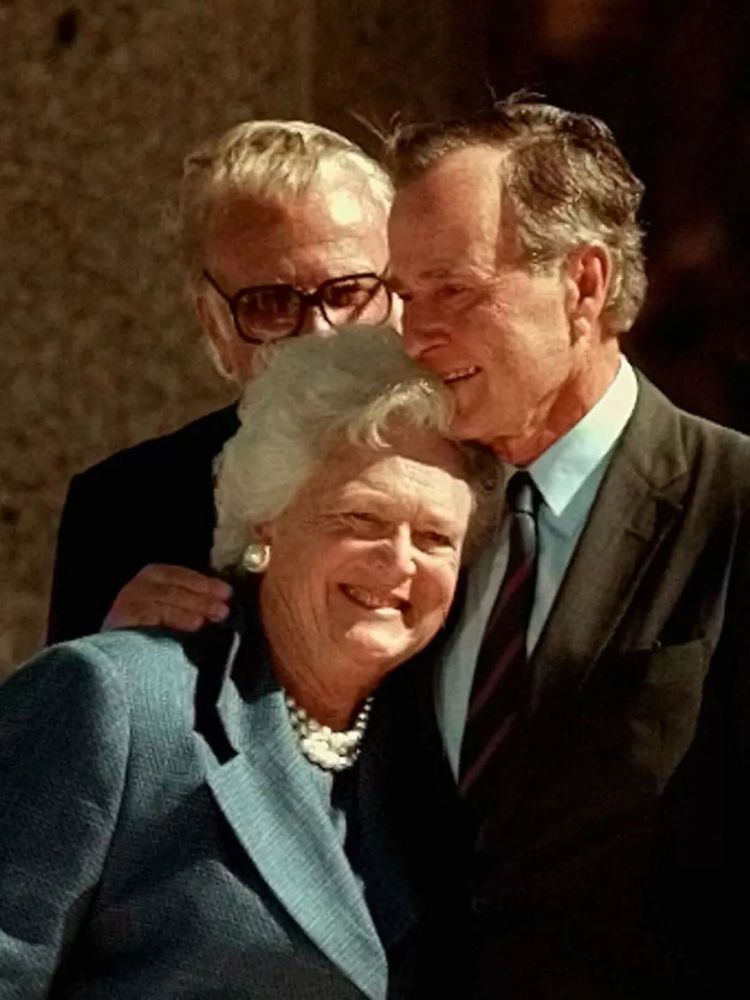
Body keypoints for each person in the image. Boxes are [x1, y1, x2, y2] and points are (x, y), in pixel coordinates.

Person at [0, 326, 494, 999]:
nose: (400, 561)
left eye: (435, 537)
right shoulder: (116, 702)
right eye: (361, 519)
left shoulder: (431, 757)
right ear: (268, 519)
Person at [384, 95, 750, 996]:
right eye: (405, 296)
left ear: (584, 284)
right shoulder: (408, 503)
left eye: (454, 290)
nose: (415, 335)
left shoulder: (734, 504)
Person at [47, 120, 394, 643]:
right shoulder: (123, 508)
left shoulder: (486, 476)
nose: (320, 334)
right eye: (270, 304)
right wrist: (111, 649)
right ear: (213, 325)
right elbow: (61, 693)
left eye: (348, 292)